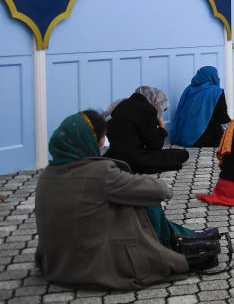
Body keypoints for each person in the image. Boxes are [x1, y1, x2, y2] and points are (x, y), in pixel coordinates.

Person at [35, 110, 193, 289]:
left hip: (55, 265)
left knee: (126, 196)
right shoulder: (99, 173)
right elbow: (160, 191)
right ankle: (173, 245)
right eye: (102, 137)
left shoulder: (47, 174)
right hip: (92, 267)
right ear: (96, 140)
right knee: (143, 203)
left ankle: (180, 239)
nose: (104, 142)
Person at [106, 86, 189, 174]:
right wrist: (161, 127)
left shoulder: (122, 105)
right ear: (155, 101)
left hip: (114, 156)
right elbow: (155, 145)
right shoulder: (147, 110)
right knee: (182, 154)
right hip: (132, 159)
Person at [170, 66, 230, 147]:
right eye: (217, 75)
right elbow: (222, 117)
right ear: (212, 76)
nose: (218, 77)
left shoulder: (189, 89)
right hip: (209, 138)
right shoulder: (216, 92)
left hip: (186, 136)